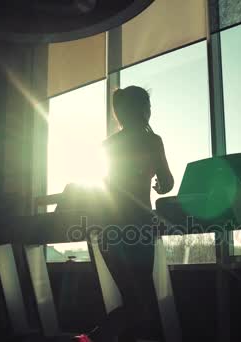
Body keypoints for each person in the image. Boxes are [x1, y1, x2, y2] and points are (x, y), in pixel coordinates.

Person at [74, 86, 174, 342]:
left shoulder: (108, 144)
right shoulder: (152, 140)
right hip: (137, 226)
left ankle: (102, 335)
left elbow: (104, 185)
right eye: (148, 106)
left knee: (133, 295)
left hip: (108, 227)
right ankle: (97, 336)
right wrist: (158, 184)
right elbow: (167, 182)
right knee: (142, 296)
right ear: (142, 109)